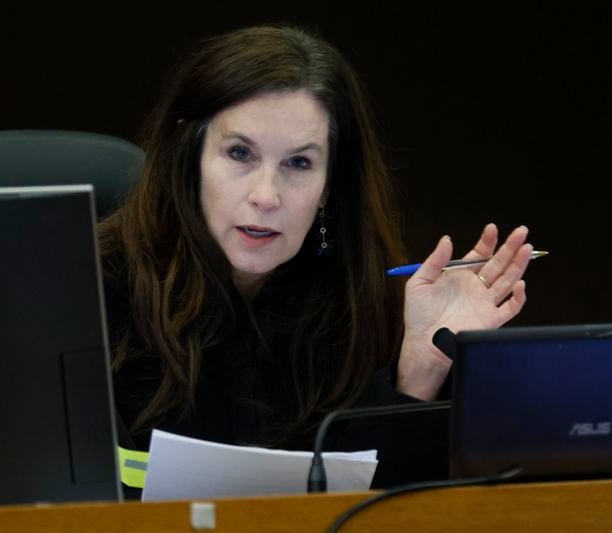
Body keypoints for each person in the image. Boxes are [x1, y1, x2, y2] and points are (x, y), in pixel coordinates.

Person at [98, 24, 532, 483]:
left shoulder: (354, 300)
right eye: (240, 153)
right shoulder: (91, 296)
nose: (266, 196)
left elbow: (378, 505)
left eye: (299, 163)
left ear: (329, 186)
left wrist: (419, 370)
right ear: (190, 155)